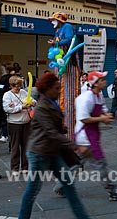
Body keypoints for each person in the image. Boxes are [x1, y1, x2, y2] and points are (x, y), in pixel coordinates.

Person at [19, 72, 89, 219]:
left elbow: (53, 128)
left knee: (69, 186)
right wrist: (75, 146)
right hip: (39, 153)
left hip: (52, 151)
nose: (59, 91)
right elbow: (50, 132)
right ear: (47, 88)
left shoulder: (50, 102)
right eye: (56, 89)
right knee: (32, 190)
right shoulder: (42, 107)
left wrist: (62, 128)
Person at [74, 71, 117, 200]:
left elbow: (103, 109)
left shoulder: (99, 96)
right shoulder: (86, 98)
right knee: (100, 163)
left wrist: (107, 115)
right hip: (85, 137)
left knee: (75, 165)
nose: (105, 81)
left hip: (92, 135)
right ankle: (112, 190)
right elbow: (84, 119)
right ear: (96, 83)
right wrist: (102, 119)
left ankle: (61, 186)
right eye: (102, 80)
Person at [48, 12, 81, 140]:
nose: (52, 22)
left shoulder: (66, 27)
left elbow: (70, 40)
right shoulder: (58, 30)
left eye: (53, 20)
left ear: (59, 20)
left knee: (69, 94)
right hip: (60, 61)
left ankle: (70, 132)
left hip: (68, 62)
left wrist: (56, 44)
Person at [3, 75, 36, 175]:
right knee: (15, 146)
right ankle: (15, 168)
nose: (19, 87)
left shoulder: (23, 92)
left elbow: (32, 99)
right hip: (14, 123)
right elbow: (7, 109)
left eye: (20, 85)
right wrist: (21, 107)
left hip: (26, 122)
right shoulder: (7, 95)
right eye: (17, 85)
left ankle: (25, 166)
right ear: (12, 85)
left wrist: (32, 103)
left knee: (26, 145)